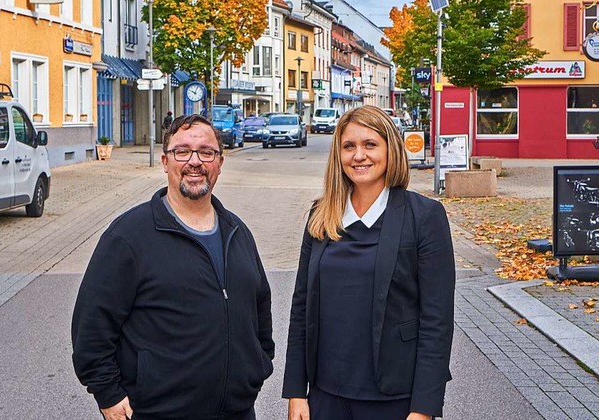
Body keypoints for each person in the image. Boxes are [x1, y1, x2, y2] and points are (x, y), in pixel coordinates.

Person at [72, 114, 274, 420]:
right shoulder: (129, 236)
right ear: (166, 162)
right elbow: (92, 325)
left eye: (206, 152)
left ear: (220, 163)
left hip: (237, 411)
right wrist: (108, 395)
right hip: (158, 412)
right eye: (182, 152)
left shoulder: (237, 231)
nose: (195, 162)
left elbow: (259, 307)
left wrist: (257, 365)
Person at [282, 105, 455, 420]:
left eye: (370, 145)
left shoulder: (424, 217)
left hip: (394, 398)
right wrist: (296, 390)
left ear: (390, 149)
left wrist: (424, 408)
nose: (358, 155)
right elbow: (301, 307)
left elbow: (436, 320)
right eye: (349, 146)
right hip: (326, 395)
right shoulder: (322, 215)